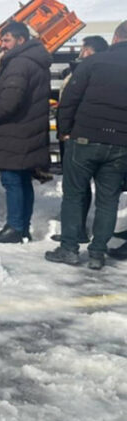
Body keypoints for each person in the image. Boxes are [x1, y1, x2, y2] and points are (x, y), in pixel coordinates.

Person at [45, 22, 127, 270]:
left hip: (85, 139)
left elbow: (69, 99)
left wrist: (65, 131)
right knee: (108, 199)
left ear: (115, 38)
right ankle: (97, 253)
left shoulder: (93, 63)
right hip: (120, 143)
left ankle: (69, 248)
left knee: (74, 194)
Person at [0, 21, 52, 243]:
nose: (3, 45)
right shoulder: (35, 61)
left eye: (7, 40)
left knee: (13, 180)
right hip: (28, 130)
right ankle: (23, 226)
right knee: (22, 181)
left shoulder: (19, 63)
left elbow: (10, 101)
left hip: (15, 132)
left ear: (21, 40)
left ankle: (14, 227)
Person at [50, 35, 110, 243]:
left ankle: (75, 233)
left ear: (90, 51)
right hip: (88, 133)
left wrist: (66, 130)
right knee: (88, 189)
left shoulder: (88, 71)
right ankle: (83, 232)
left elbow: (73, 101)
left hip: (78, 135)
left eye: (84, 49)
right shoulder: (100, 70)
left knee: (77, 187)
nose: (80, 52)